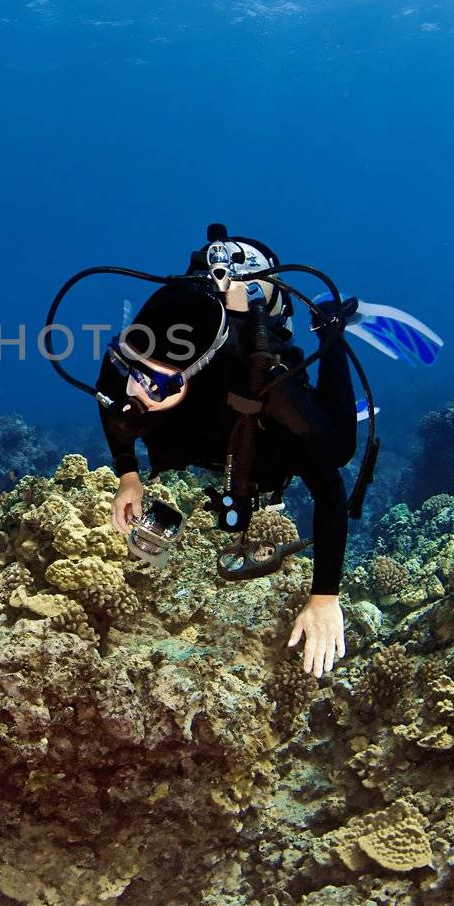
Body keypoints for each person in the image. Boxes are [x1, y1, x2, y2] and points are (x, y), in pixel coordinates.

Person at [96, 265, 358, 680]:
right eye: (131, 368)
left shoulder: (266, 390)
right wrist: (129, 475)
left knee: (338, 448)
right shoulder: (127, 363)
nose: (134, 392)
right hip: (204, 434)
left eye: (156, 385)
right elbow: (110, 395)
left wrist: (325, 596)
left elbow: (330, 492)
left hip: (257, 424)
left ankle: (331, 329)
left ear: (196, 371)